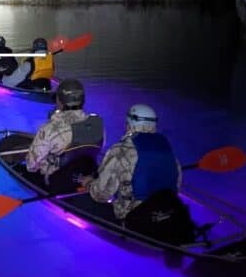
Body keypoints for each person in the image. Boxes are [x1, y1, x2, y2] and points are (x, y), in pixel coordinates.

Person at [79, 104, 196, 243]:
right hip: (166, 210)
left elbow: (101, 195)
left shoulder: (120, 150)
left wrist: (89, 183)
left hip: (134, 218)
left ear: (129, 124)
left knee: (82, 201)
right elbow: (176, 186)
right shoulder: (167, 149)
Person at [25, 79, 104, 194]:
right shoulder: (98, 124)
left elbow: (31, 166)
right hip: (87, 175)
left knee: (22, 169)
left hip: (57, 183)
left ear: (59, 100)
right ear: (83, 100)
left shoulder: (49, 128)